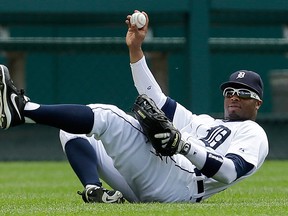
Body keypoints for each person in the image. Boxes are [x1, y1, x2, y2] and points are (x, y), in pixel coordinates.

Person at [0, 11, 268, 204]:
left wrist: (183, 146)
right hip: (155, 177)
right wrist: (136, 50)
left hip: (181, 184)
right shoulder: (203, 122)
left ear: (257, 102)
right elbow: (156, 98)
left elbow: (229, 173)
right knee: (72, 131)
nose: (234, 96)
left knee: (108, 116)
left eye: (243, 93)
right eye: (230, 91)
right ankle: (96, 191)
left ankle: (22, 110)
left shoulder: (254, 133)